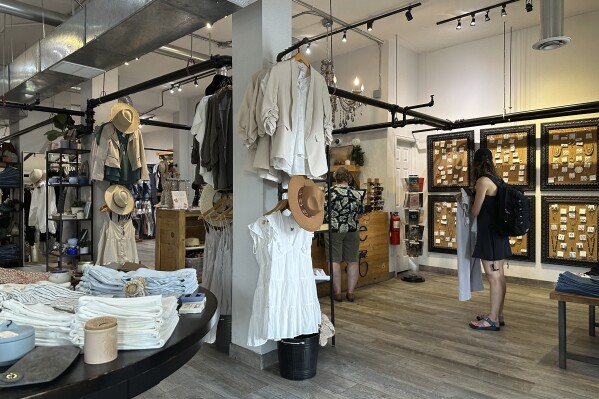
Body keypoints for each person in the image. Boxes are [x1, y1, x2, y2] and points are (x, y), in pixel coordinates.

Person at [468, 148, 512, 331]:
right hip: (499, 234)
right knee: (499, 275)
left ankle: (492, 320)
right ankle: (498, 314)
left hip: (489, 235)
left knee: (493, 277)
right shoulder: (496, 180)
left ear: (476, 163)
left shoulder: (482, 181)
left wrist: (468, 202)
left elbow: (475, 211)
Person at [324, 167, 364, 302]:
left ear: (336, 178)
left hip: (335, 229)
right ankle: (351, 293)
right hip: (353, 229)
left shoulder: (330, 192)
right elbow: (361, 211)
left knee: (334, 260)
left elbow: (323, 210)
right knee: (352, 260)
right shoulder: (357, 193)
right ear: (349, 179)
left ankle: (337, 293)